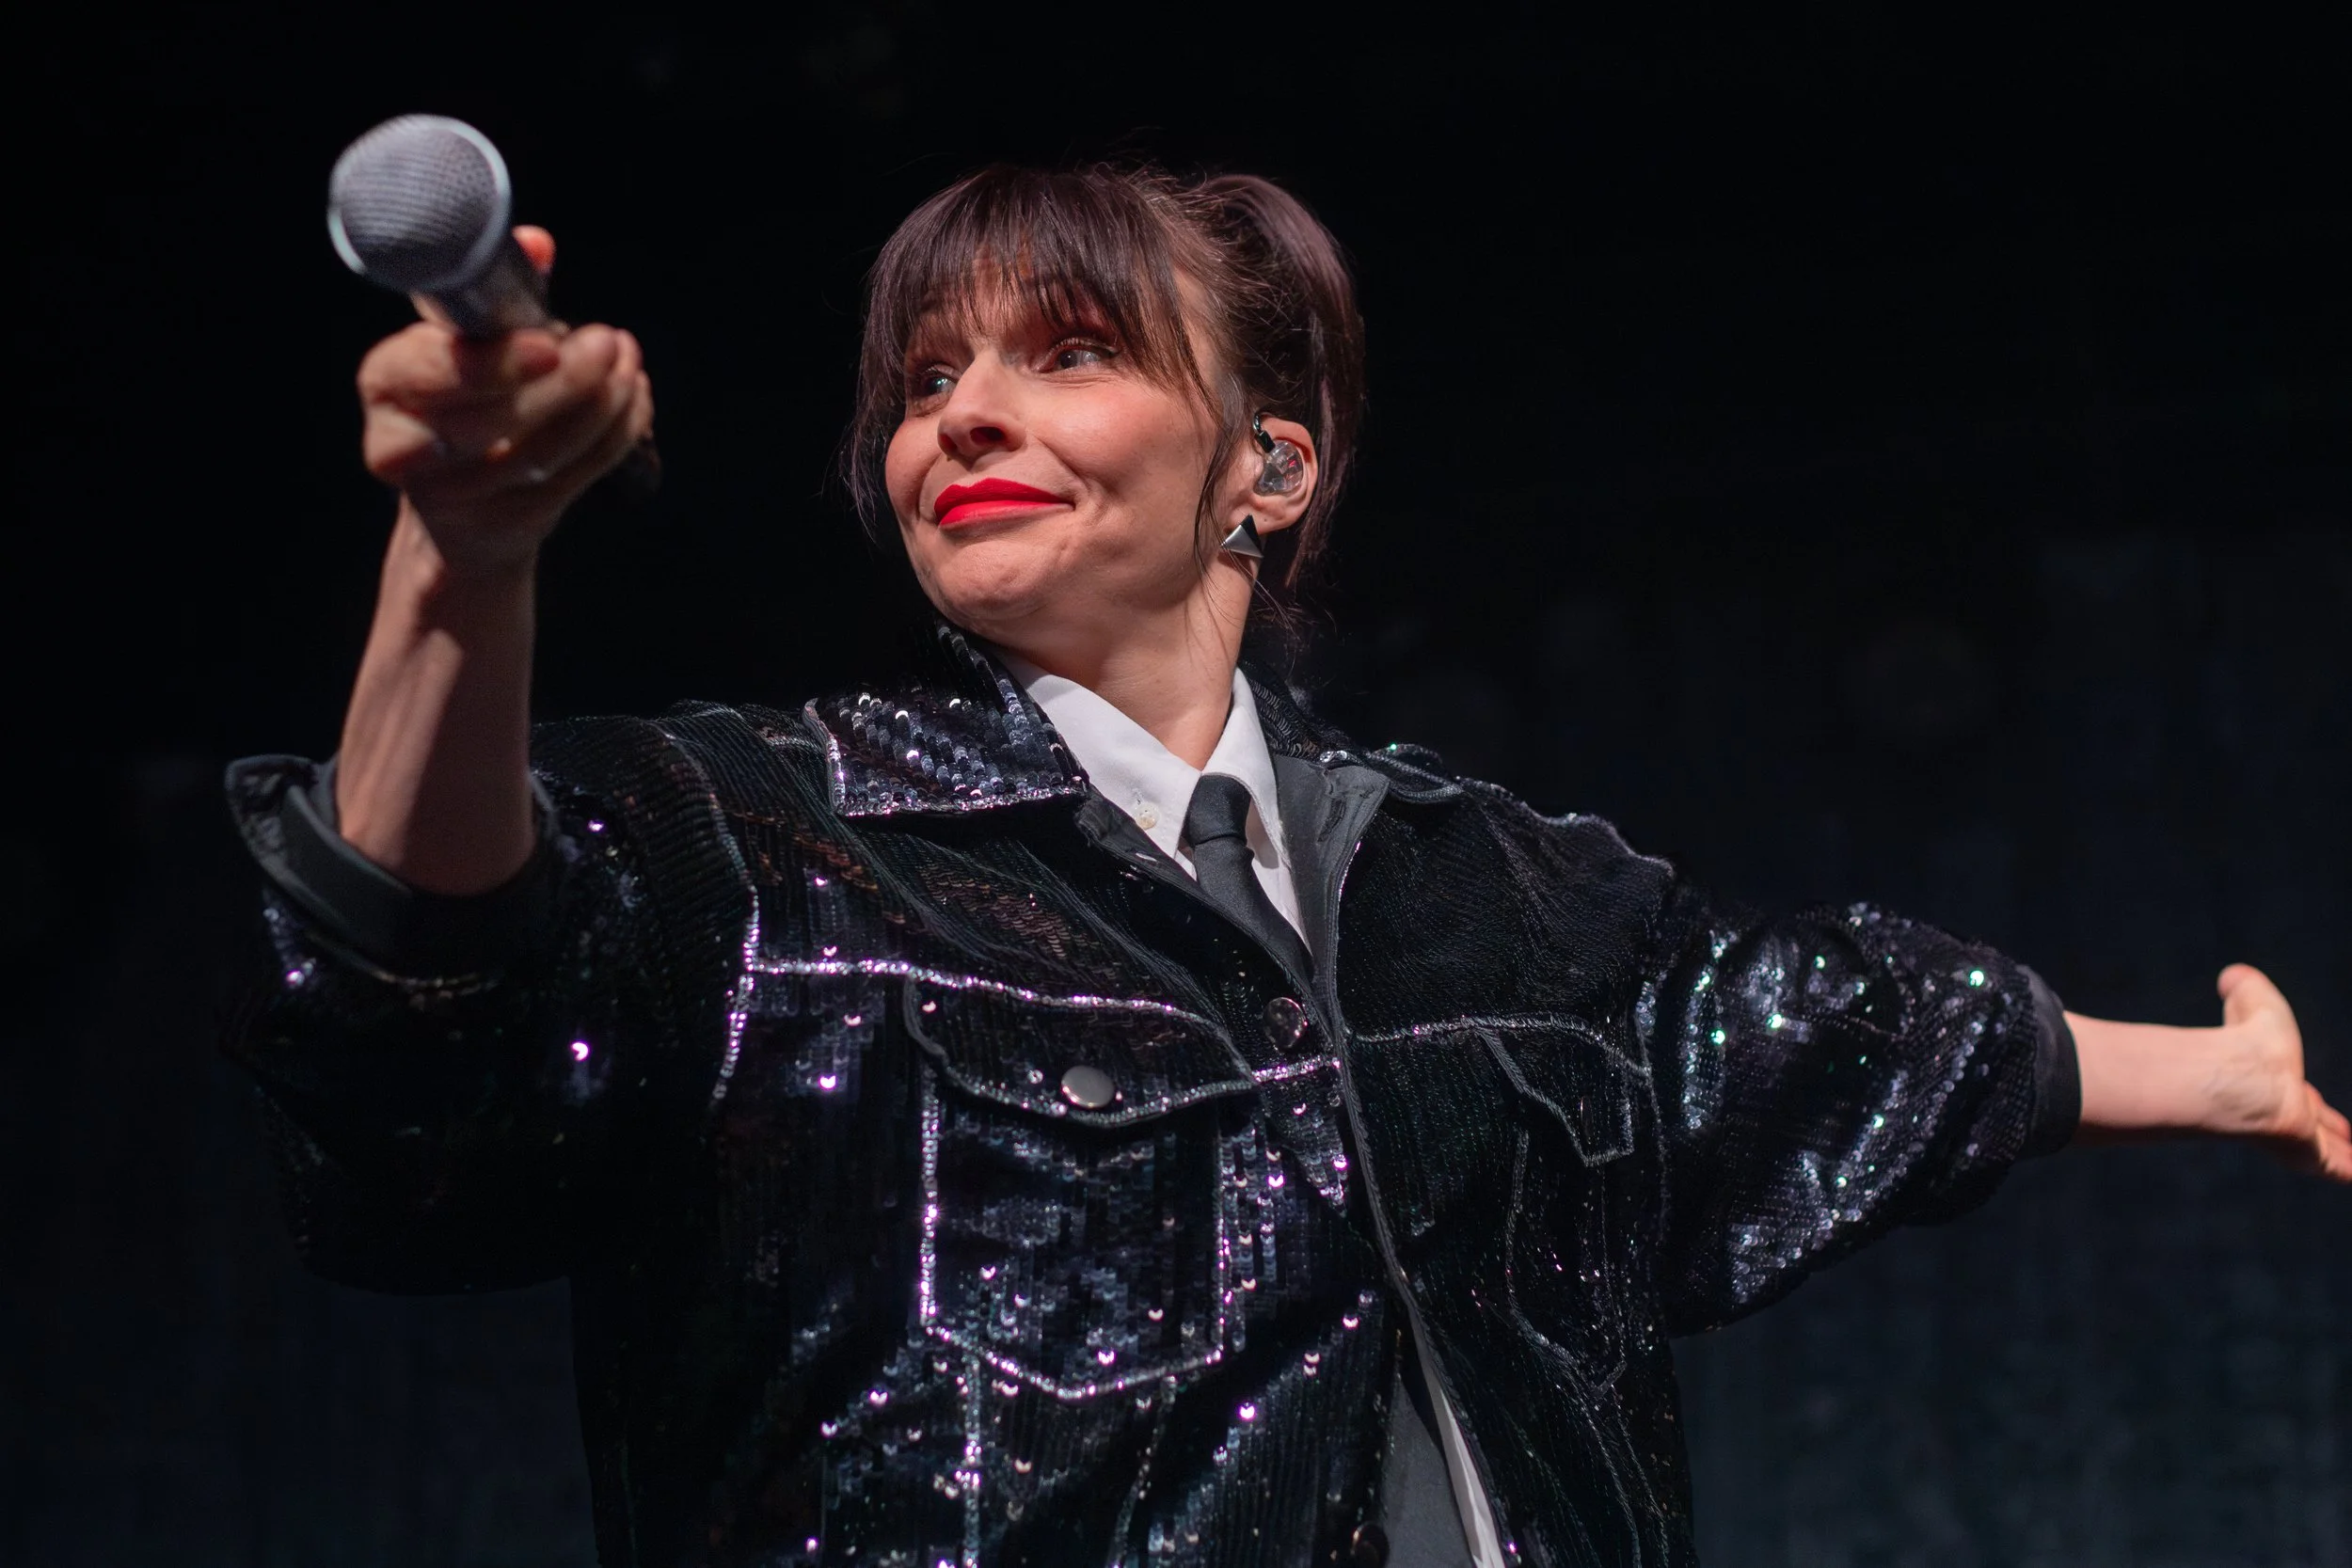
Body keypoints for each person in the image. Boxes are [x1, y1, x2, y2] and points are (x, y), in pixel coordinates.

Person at [224, 164, 2349, 1568]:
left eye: (1067, 351)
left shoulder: (1489, 892)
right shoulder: (770, 844)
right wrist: (463, 560)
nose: (961, 414)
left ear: (1267, 463)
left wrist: (2227, 1075)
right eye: (924, 378)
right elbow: (428, 995)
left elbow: (1830, 1034)